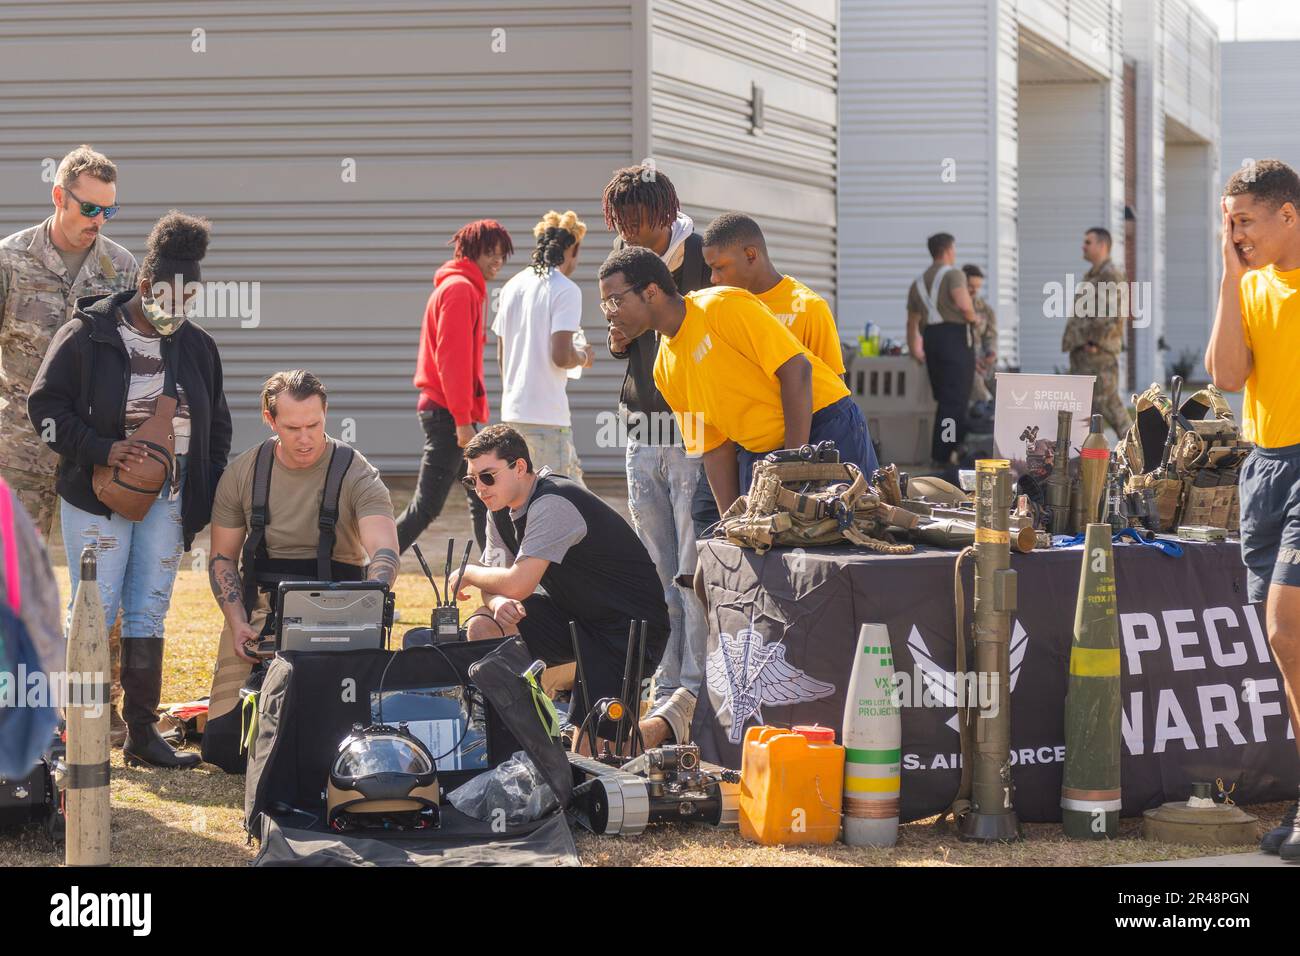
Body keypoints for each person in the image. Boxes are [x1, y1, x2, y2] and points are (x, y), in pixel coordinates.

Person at [28, 211, 231, 769]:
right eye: (169, 298)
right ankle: (78, 733)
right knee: (94, 606)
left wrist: (203, 498)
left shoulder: (197, 347)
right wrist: (101, 447)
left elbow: (218, 428)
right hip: (98, 496)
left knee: (148, 612)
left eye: (189, 301)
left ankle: (142, 732)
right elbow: (43, 409)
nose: (178, 311)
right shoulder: (86, 334)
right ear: (143, 286)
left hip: (168, 501)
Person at [0, 145, 137, 745]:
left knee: (98, 585)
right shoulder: (10, 261)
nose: (98, 221)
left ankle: (94, 713)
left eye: (109, 210)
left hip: (93, 457)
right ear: (58, 196)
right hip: (18, 453)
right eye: (88, 207)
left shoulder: (122, 269)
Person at [202, 370, 398, 772]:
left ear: (326, 413)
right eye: (292, 427)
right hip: (261, 616)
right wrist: (238, 623)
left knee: (339, 742)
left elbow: (384, 548)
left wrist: (370, 599)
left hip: (338, 613)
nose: (305, 438)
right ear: (269, 420)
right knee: (226, 750)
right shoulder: (243, 473)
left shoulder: (356, 472)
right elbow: (222, 558)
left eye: (314, 425)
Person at [599, 246, 878, 516]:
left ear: (650, 292)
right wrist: (731, 522)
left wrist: (793, 465)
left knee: (849, 545)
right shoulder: (664, 370)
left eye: (615, 300)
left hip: (824, 427)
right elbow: (714, 448)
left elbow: (796, 369)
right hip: (761, 456)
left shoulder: (720, 306)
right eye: (604, 305)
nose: (609, 313)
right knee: (768, 553)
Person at [452, 425, 669, 748]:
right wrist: (497, 603)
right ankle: (520, 732)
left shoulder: (554, 503)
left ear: (520, 467)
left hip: (626, 631)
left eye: (488, 476)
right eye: (472, 481)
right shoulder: (498, 511)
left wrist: (468, 572)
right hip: (575, 619)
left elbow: (518, 582)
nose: (480, 489)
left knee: (594, 753)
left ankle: (669, 722)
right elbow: (500, 584)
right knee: (485, 624)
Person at [1205, 158, 1300, 859]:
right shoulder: (1251, 284)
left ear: (1287, 215)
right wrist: (1233, 273)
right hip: (1262, 468)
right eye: (1227, 222)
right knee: (1284, 644)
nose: (1234, 233)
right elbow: (1227, 376)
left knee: (1286, 627)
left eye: (1245, 222)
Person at [602, 165, 716, 746]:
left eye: (639, 222)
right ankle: (663, 677)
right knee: (653, 563)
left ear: (665, 214)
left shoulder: (701, 257)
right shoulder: (622, 259)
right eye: (620, 224)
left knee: (690, 565)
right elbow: (619, 341)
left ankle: (693, 685)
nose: (629, 234)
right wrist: (617, 336)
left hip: (694, 427)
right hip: (641, 427)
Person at [396, 219, 513, 554]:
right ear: (471, 251)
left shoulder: (465, 289)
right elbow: (453, 360)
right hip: (449, 415)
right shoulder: (460, 290)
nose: (498, 261)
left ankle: (498, 575)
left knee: (483, 499)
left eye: (503, 254)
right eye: (491, 252)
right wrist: (463, 421)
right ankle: (365, 575)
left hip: (452, 413)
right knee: (427, 506)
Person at [492, 210, 592, 482]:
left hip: (512, 414)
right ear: (573, 249)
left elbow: (502, 356)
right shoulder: (566, 289)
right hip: (548, 418)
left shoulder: (511, 286)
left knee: (519, 500)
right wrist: (582, 357)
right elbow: (561, 356)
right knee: (563, 501)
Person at [700, 211, 845, 377]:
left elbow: (836, 394)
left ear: (750, 255)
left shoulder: (809, 308)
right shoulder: (720, 308)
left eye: (719, 267)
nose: (713, 278)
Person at [906, 232, 979, 478]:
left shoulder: (918, 282)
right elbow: (963, 304)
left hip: (932, 340)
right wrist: (973, 317)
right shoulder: (953, 274)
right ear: (948, 250)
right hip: (954, 339)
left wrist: (915, 348)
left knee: (945, 400)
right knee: (955, 400)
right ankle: (945, 453)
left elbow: (912, 321)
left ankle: (945, 450)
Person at [1063, 227, 1131, 434]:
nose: (1083, 246)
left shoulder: (1110, 274)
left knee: (1108, 404)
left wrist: (1093, 342)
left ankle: (1141, 453)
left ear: (1102, 245)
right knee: (1086, 409)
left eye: (1088, 242)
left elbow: (1111, 313)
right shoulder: (1094, 274)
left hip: (1097, 353)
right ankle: (1087, 459)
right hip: (1083, 353)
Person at [963, 264, 998, 404]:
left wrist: (991, 353)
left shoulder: (985, 309)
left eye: (978, 287)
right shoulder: (954, 310)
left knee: (1002, 384)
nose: (974, 291)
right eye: (970, 286)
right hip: (966, 363)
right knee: (980, 393)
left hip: (983, 361)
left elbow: (990, 335)